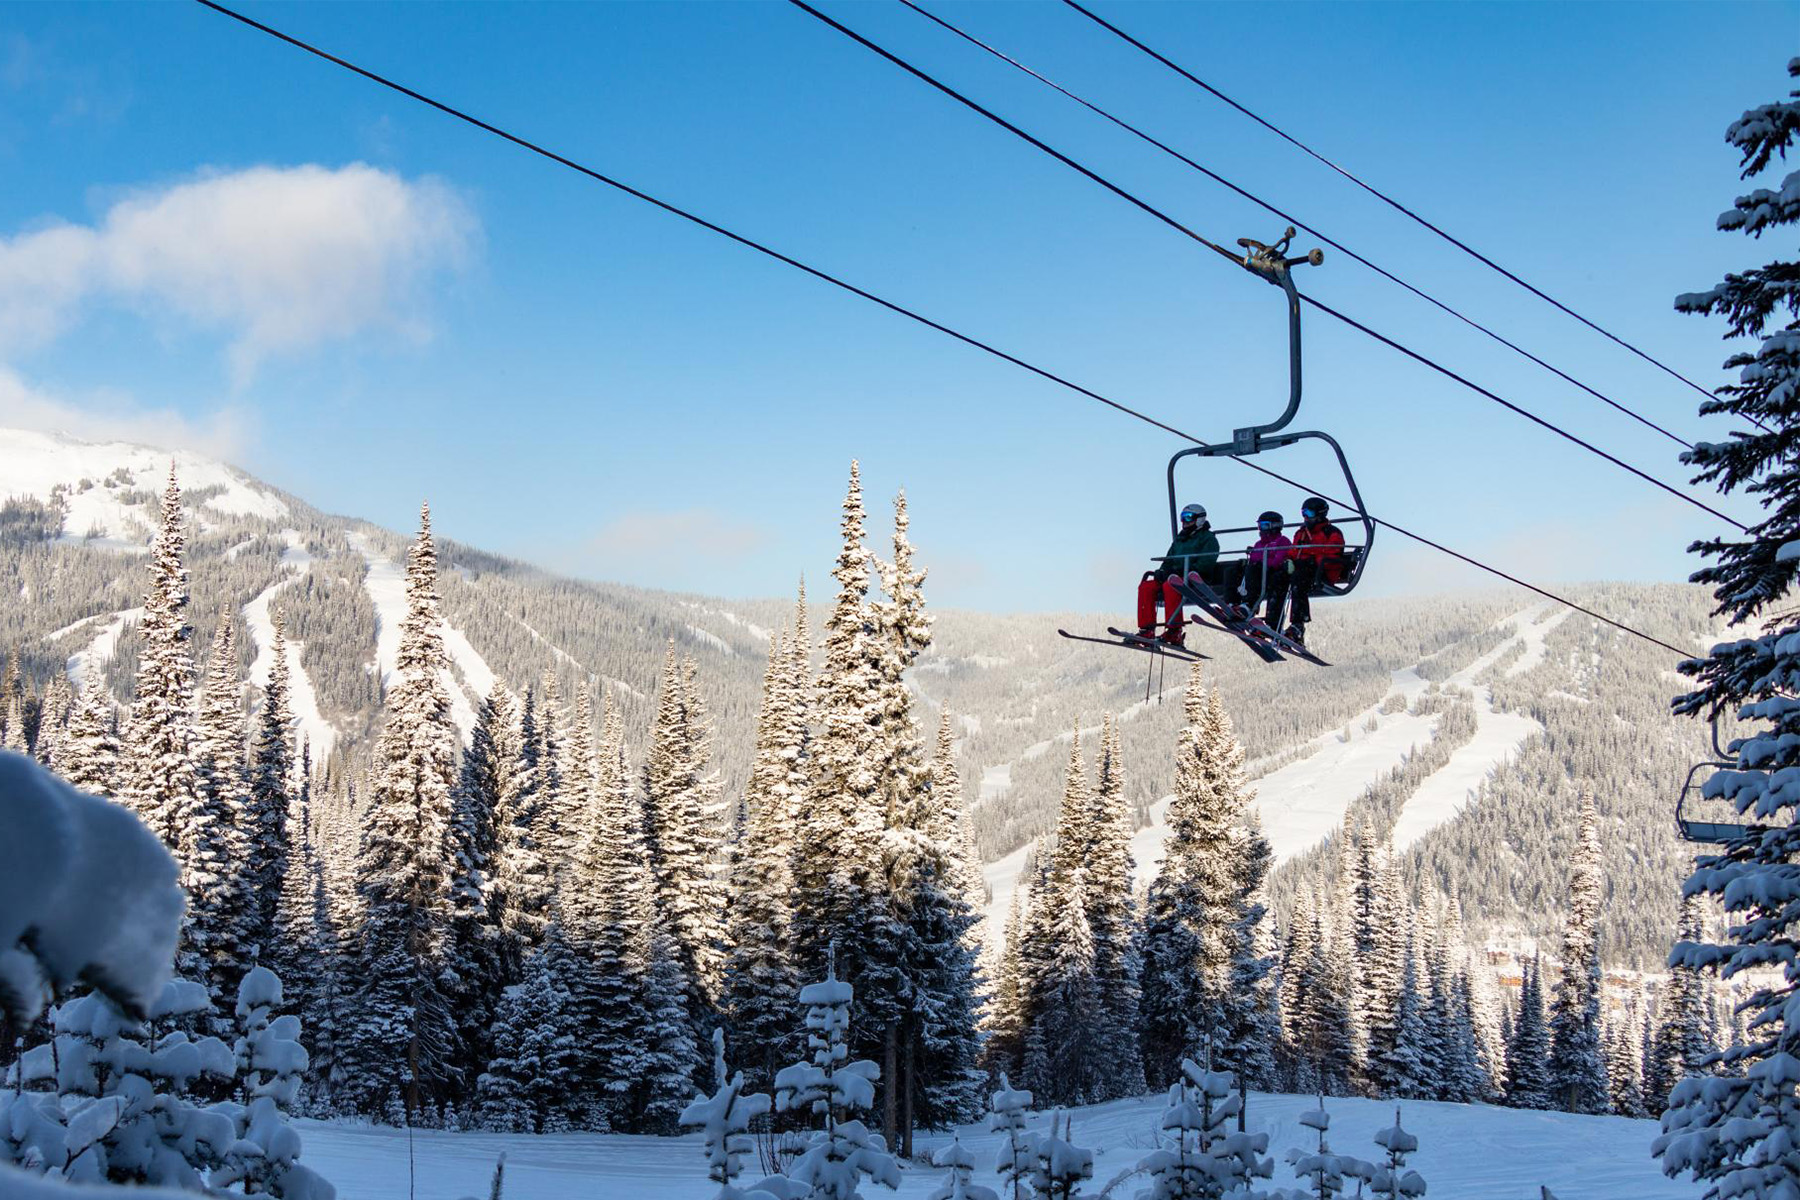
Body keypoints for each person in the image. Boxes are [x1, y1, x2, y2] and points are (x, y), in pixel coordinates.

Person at [1136, 502, 1219, 646]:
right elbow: (1169, 559)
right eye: (1182, 517)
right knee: (1147, 586)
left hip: (1195, 578)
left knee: (1171, 586)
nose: (1184, 521)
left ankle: (1174, 631)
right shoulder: (1180, 540)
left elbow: (1206, 562)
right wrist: (1162, 571)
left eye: (1188, 517)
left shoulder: (1208, 539)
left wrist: (1183, 571)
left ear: (1199, 519)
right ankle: (1147, 629)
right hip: (1175, 576)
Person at [1285, 496, 1347, 645]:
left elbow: (1333, 556)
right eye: (1303, 513)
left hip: (1322, 573)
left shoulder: (1332, 533)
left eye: (1309, 514)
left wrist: (1312, 559)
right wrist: (1287, 560)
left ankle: (1298, 626)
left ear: (1320, 514)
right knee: (1279, 577)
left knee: (1299, 578)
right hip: (1303, 569)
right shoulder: (1301, 533)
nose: (1306, 517)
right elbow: (1294, 551)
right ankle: (1271, 621)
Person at [1221, 511, 1294, 628]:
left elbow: (1277, 561)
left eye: (1264, 525)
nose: (1261, 529)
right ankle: (1231, 603)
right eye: (1259, 526)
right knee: (1232, 571)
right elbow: (1253, 559)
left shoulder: (1282, 541)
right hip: (1257, 573)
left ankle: (1248, 605)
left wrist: (1260, 562)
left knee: (1254, 569)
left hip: (1271, 573)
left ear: (1275, 526)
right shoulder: (1259, 544)